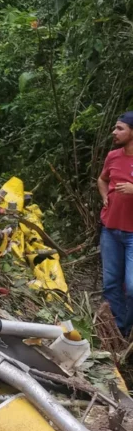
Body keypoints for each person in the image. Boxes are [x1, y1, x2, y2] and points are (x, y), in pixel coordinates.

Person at [98, 111, 133, 338]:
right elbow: (102, 179)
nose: (114, 132)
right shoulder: (112, 156)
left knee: (131, 287)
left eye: (120, 128)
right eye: (115, 128)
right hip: (110, 229)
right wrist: (104, 196)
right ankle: (121, 328)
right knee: (111, 283)